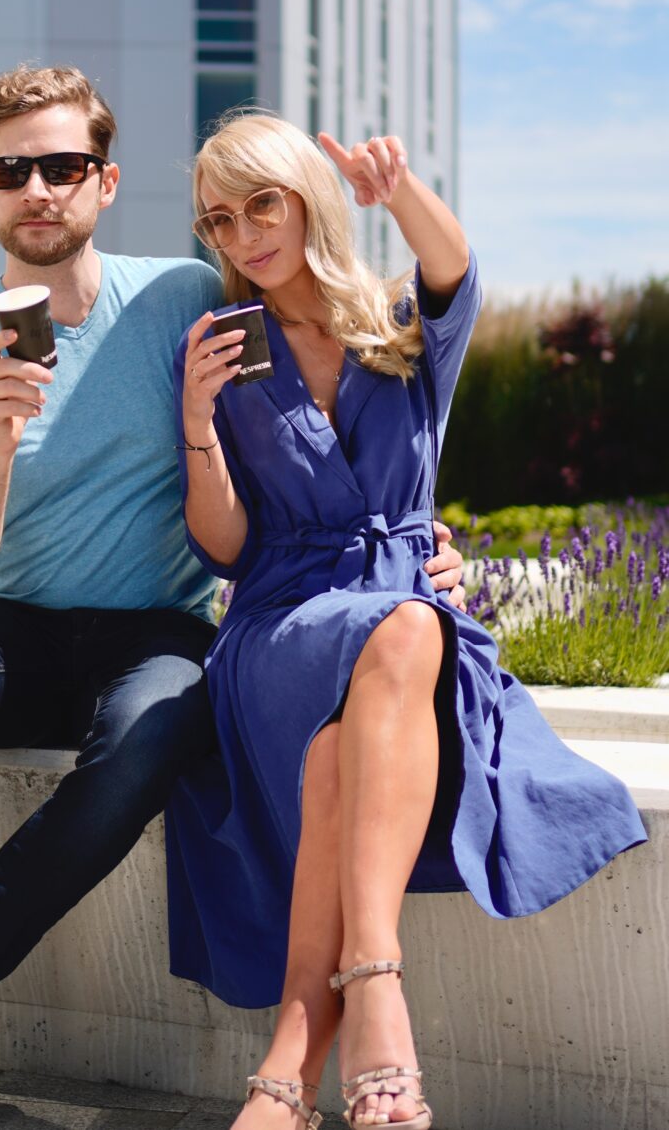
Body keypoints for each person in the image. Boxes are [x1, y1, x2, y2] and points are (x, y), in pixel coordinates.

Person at [0, 68, 467, 1130]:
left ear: (105, 180)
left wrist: (417, 543)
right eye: (11, 169)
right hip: (14, 631)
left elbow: (326, 406)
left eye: (63, 166)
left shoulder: (185, 296)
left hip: (154, 633)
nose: (38, 188)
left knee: (161, 720)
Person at [162, 113, 647, 1130]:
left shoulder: (397, 324)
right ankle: (374, 985)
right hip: (282, 623)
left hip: (399, 606)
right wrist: (198, 430)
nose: (245, 233)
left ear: (305, 198)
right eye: (219, 219)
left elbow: (453, 265)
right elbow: (225, 549)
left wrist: (401, 192)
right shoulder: (219, 352)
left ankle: (295, 1050)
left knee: (356, 723)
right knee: (407, 631)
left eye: (264, 203)